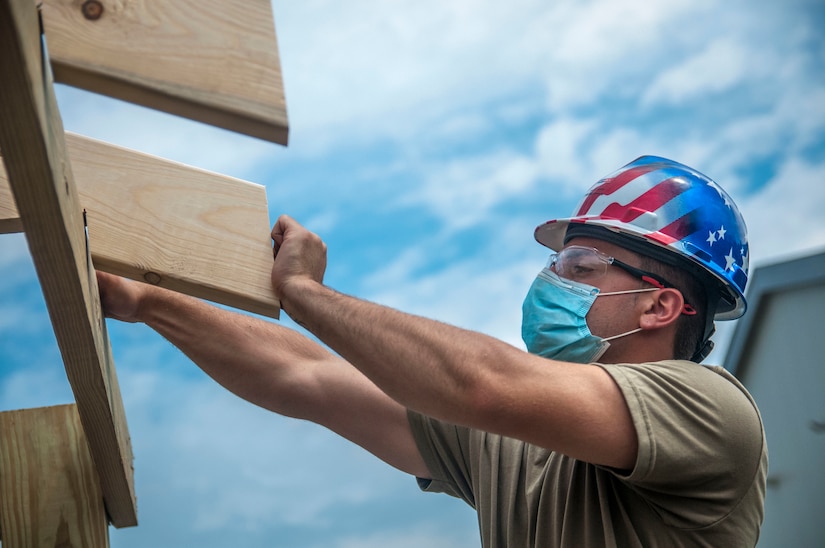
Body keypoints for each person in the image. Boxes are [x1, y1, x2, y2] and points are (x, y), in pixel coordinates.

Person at [97, 155, 767, 547]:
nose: (551, 282)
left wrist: (301, 292)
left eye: (582, 266)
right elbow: (305, 377)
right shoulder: (520, 443)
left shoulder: (708, 412)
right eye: (556, 263)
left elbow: (481, 383)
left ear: (659, 306)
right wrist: (146, 302)